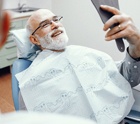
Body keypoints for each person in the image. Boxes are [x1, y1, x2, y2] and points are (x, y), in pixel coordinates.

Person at [15, 5, 140, 124]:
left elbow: (125, 79)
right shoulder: (31, 82)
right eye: (45, 24)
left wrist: (136, 46)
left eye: (55, 19)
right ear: (35, 39)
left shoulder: (85, 53)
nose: (55, 25)